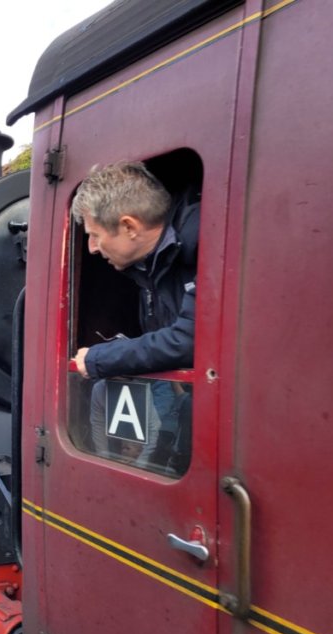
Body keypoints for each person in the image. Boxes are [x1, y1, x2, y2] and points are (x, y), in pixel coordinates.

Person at [70, 161, 198, 470]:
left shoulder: (200, 246)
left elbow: (191, 339)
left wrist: (98, 358)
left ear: (129, 226)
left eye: (95, 235)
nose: (91, 249)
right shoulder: (148, 269)